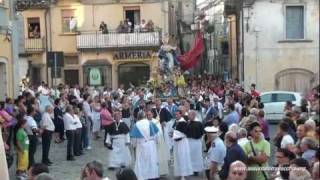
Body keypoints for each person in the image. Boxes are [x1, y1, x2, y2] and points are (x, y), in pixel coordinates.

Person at [130, 110, 159, 180]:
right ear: (145, 116)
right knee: (151, 160)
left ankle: (142, 177)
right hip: (151, 144)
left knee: (141, 162)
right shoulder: (151, 123)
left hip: (141, 145)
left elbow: (134, 138)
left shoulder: (136, 125)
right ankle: (152, 176)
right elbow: (156, 135)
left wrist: (134, 145)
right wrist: (155, 142)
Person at [146, 109, 169, 176]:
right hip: (149, 143)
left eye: (150, 114)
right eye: (147, 115)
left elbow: (160, 132)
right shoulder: (145, 122)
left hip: (156, 143)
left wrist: (156, 138)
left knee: (157, 157)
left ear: (152, 115)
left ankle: (159, 172)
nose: (148, 116)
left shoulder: (156, 122)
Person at [186, 110, 204, 175]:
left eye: (189, 115)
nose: (188, 116)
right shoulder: (188, 122)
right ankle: (190, 169)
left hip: (196, 142)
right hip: (188, 141)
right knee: (189, 156)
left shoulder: (199, 123)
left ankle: (196, 170)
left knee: (196, 156)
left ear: (193, 115)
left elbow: (202, 133)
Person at [14, 114, 29, 178]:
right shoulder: (19, 132)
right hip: (22, 149)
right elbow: (18, 142)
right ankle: (19, 174)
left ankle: (23, 172)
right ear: (22, 125)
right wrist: (21, 149)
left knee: (25, 162)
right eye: (25, 124)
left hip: (25, 148)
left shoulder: (23, 130)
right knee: (21, 162)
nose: (26, 125)